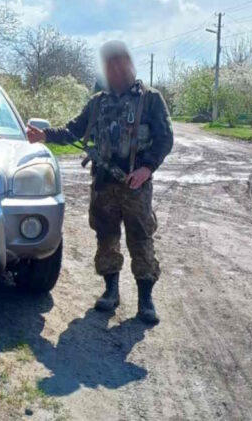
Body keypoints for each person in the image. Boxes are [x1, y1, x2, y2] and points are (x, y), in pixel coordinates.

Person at [26, 40, 174, 325]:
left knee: (140, 239)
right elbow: (73, 130)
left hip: (135, 185)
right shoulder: (98, 102)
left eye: (121, 62)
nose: (116, 69)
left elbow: (165, 138)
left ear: (130, 64)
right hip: (103, 185)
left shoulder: (150, 98)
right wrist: (44, 135)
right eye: (110, 64)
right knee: (106, 238)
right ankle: (110, 291)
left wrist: (147, 168)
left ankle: (145, 299)